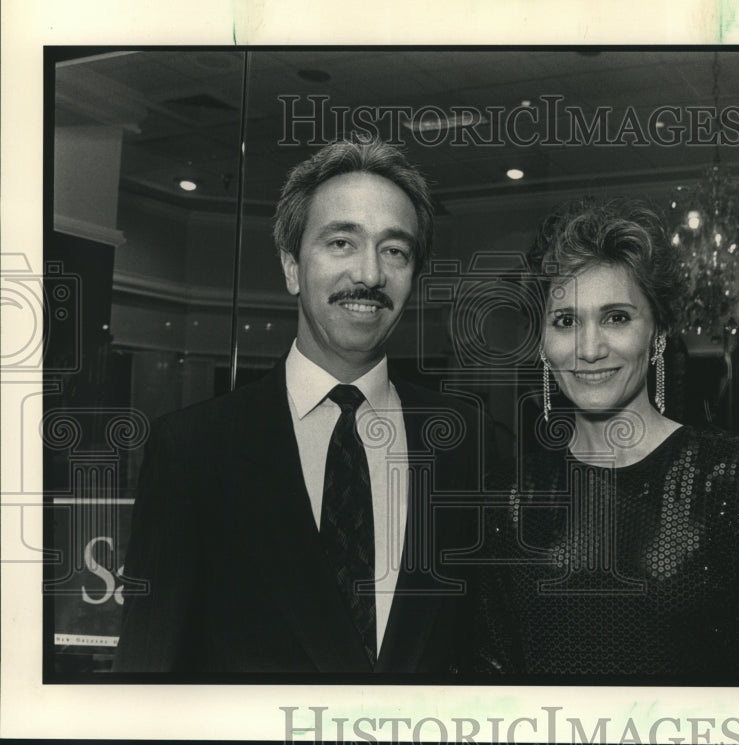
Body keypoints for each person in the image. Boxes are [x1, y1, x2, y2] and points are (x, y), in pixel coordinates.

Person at [114, 137, 485, 674]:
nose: (369, 275)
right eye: (340, 243)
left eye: (395, 250)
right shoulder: (194, 450)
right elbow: (147, 677)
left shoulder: (464, 440)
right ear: (290, 267)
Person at [477, 199, 739, 677]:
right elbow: (492, 674)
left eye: (616, 317)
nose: (589, 350)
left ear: (657, 333)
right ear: (543, 343)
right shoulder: (509, 495)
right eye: (566, 321)